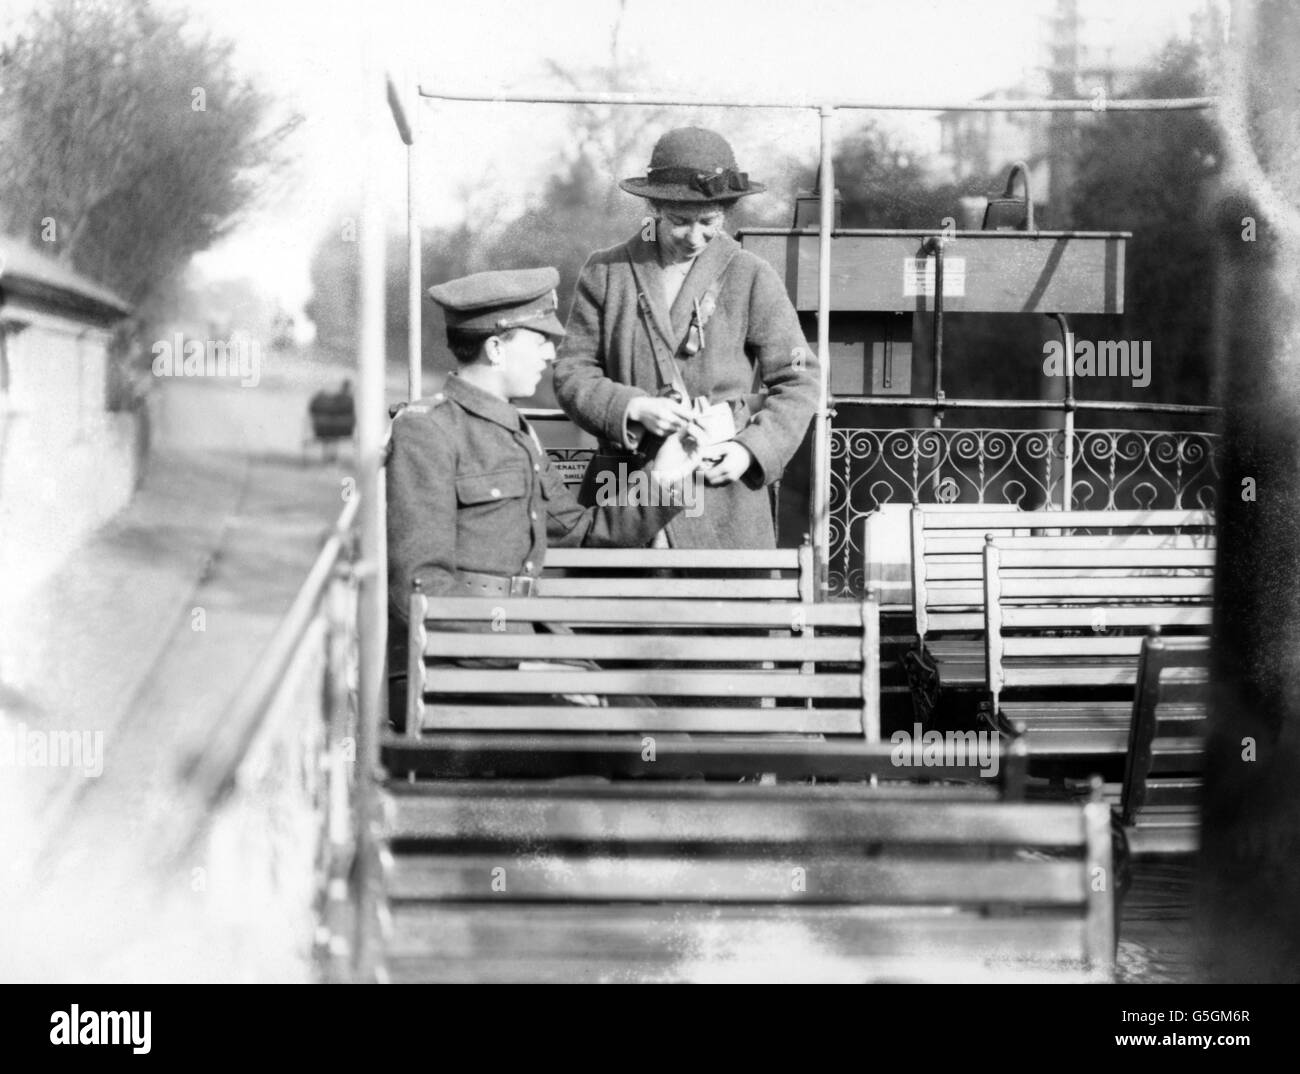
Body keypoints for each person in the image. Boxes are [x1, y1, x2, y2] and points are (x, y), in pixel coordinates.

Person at [386, 267, 690, 724]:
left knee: (659, 731)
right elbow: (420, 585)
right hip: (457, 669)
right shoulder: (425, 431)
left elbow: (581, 533)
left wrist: (665, 477)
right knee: (637, 743)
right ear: (494, 348)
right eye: (539, 339)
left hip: (522, 649)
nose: (551, 353)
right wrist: (521, 661)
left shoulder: (519, 432)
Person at [553, 126, 820, 549]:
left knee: (719, 614)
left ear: (726, 214)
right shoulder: (606, 272)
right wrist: (632, 407)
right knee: (614, 612)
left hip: (720, 495)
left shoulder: (751, 275)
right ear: (654, 207)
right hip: (624, 493)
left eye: (708, 222)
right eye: (679, 222)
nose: (694, 237)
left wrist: (750, 450)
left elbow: (800, 379)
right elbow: (571, 372)